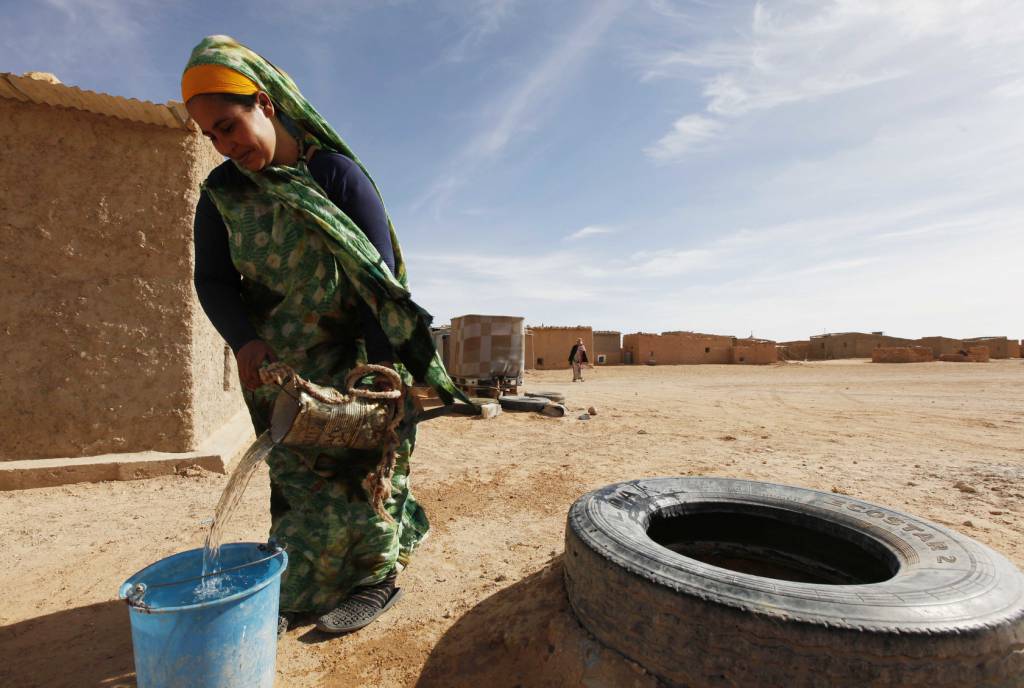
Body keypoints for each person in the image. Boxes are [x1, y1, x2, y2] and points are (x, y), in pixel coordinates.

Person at [183, 35, 465, 637]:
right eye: (212, 136)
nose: (226, 145)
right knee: (298, 482)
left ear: (265, 102)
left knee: (366, 475)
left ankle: (374, 579)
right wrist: (244, 342)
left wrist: (381, 380)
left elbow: (378, 283)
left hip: (358, 358)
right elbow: (212, 278)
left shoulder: (334, 174)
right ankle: (306, 583)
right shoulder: (223, 196)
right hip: (280, 368)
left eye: (230, 126)